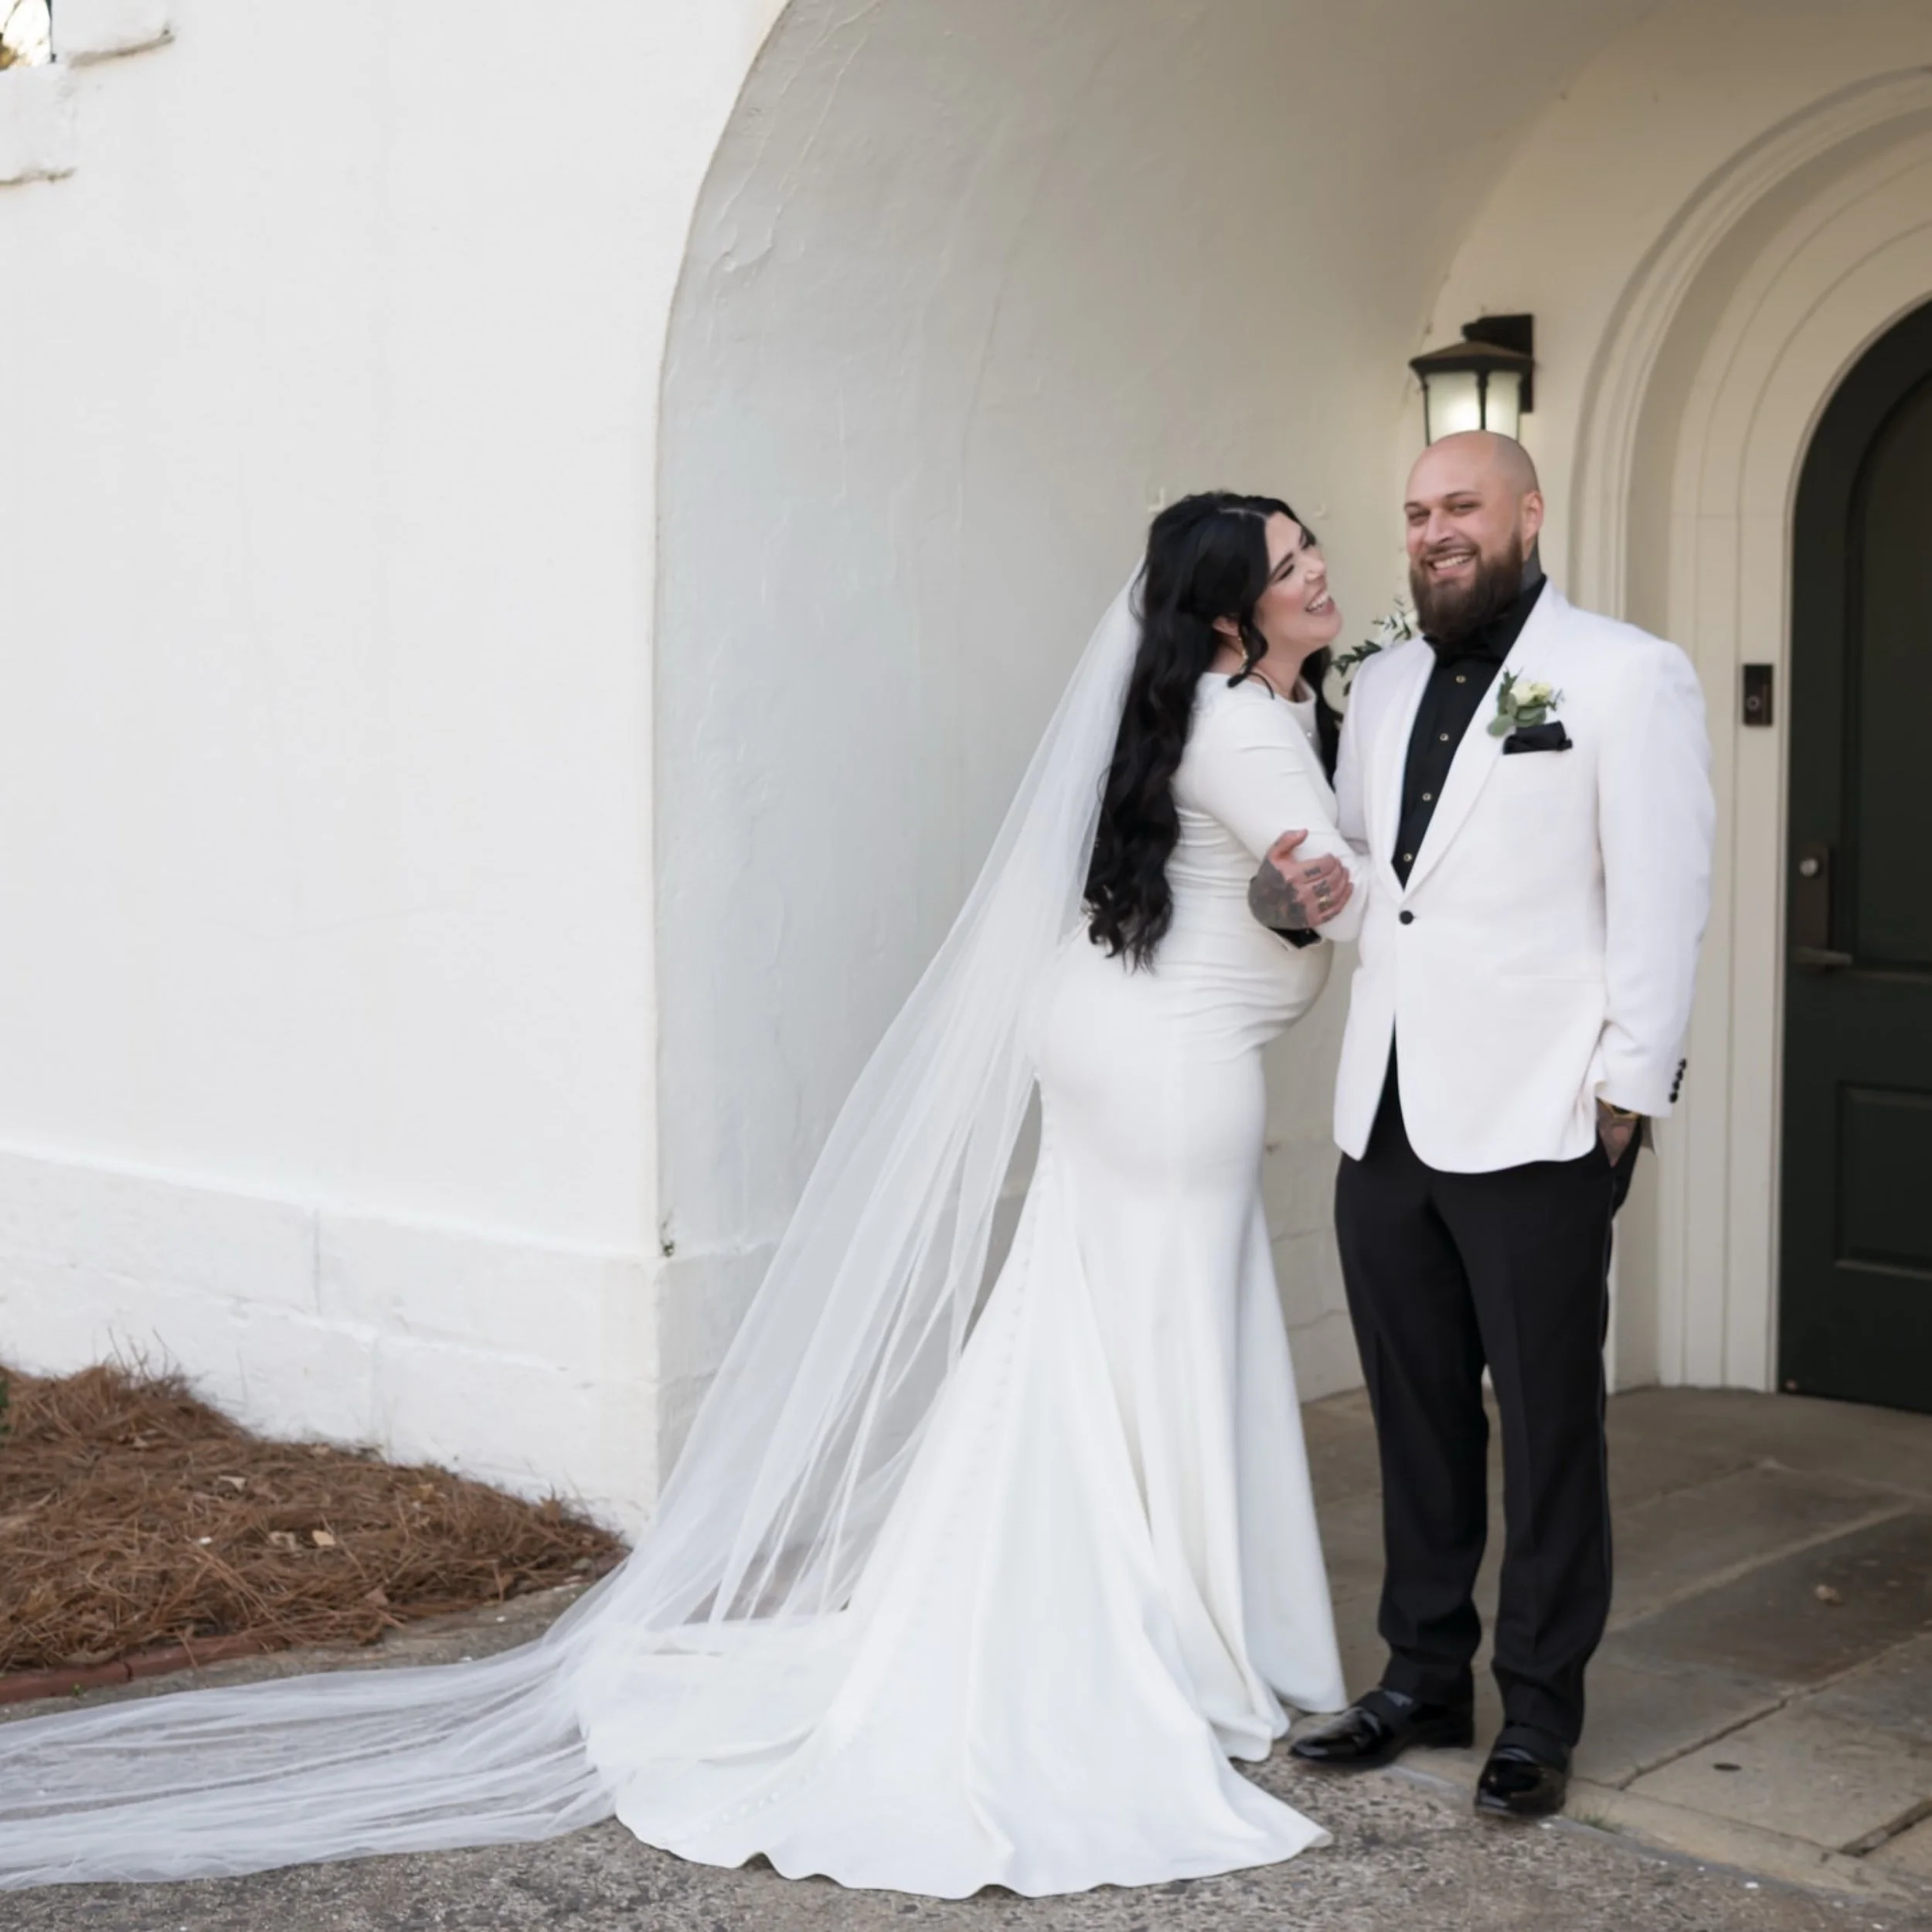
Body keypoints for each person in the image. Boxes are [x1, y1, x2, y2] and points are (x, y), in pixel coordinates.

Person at [0, 494, 1363, 1899]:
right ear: (1224, 612)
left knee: (1096, 1334)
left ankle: (1135, 1609)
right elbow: (1328, 892)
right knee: (1174, 1341)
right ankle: (1184, 1642)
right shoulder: (1251, 723)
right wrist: (1385, 885)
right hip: (1177, 1066)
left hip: (1105, 1043)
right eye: (1289, 564)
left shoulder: (1189, 713)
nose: (1318, 570)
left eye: (1311, 548)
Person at [1254, 431, 1714, 1818]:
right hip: (1385, 1110)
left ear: (1526, 511)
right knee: (1414, 1412)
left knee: (1552, 1421)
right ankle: (1422, 1676)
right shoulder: (1381, 681)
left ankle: (1543, 1711)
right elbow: (1351, 869)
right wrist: (1288, 895)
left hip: (1543, 1114)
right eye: (1414, 512)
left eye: (1460, 504)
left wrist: (1627, 1095)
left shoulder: (1629, 675)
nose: (1435, 529)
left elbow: (1665, 892)